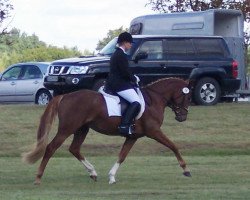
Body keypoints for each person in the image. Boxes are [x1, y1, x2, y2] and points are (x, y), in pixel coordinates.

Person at [106, 32, 141, 136]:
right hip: (119, 84)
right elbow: (125, 72)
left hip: (115, 82)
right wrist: (134, 79)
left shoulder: (117, 53)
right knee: (136, 102)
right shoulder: (121, 55)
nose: (131, 45)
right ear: (125, 43)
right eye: (130, 43)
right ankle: (124, 126)